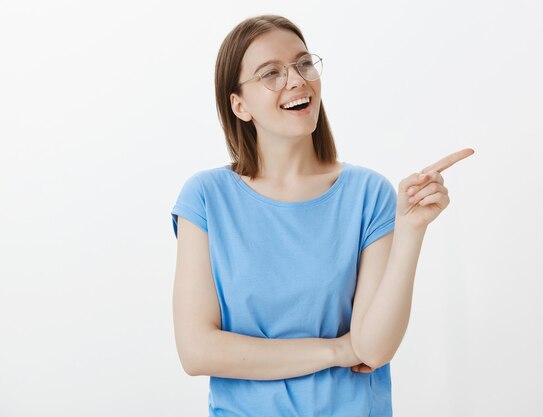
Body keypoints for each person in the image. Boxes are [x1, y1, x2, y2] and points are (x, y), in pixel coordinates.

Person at [170, 14, 474, 417]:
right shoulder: (206, 198)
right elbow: (197, 351)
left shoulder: (369, 193)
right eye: (271, 73)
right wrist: (337, 350)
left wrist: (411, 230)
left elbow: (375, 347)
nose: (296, 80)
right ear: (239, 105)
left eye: (303, 64)